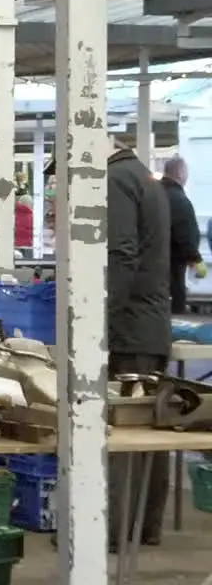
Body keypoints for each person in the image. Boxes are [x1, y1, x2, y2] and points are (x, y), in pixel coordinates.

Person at [105, 138, 171, 548]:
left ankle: (110, 529)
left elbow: (120, 253)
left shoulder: (114, 180)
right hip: (151, 323)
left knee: (122, 430)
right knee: (152, 431)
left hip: (129, 328)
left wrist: (97, 318)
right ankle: (145, 527)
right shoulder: (145, 176)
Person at [160, 156, 204, 314]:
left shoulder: (154, 193)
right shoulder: (179, 199)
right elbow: (185, 234)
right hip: (173, 265)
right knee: (175, 309)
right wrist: (195, 258)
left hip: (152, 264)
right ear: (179, 173)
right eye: (186, 172)